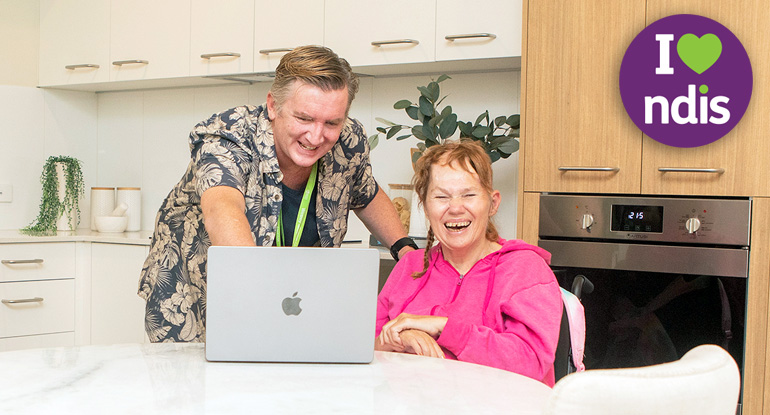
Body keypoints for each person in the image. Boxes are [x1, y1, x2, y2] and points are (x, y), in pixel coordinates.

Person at [138, 45, 418, 343]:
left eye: (331, 122)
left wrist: (406, 252)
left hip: (289, 300)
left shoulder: (348, 139)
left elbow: (365, 192)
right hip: (193, 296)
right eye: (304, 118)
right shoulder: (227, 136)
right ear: (273, 106)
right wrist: (259, 291)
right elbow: (222, 209)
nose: (316, 136)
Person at [375, 140, 562, 386]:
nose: (455, 208)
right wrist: (400, 339)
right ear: (425, 206)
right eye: (441, 196)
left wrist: (443, 327)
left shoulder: (526, 269)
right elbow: (366, 347)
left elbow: (530, 362)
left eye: (469, 195)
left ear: (493, 203)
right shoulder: (409, 266)